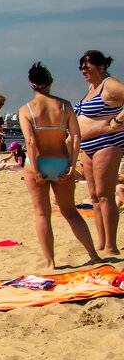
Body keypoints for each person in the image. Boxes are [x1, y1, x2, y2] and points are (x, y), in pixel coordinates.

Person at [19, 62, 99, 269]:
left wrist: (36, 170)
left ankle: (51, 263)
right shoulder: (65, 106)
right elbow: (75, 136)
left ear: (31, 85)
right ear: (50, 82)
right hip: (62, 161)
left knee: (42, 214)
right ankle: (93, 255)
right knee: (71, 212)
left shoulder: (26, 109)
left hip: (38, 162)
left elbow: (30, 142)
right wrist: (73, 164)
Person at [74, 49, 123, 256]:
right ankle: (102, 243)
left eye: (87, 67)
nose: (83, 71)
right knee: (94, 197)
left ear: (101, 67)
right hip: (88, 147)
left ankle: (111, 245)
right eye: (81, 68)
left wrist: (117, 121)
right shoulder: (91, 87)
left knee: (105, 195)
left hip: (107, 143)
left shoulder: (109, 84)